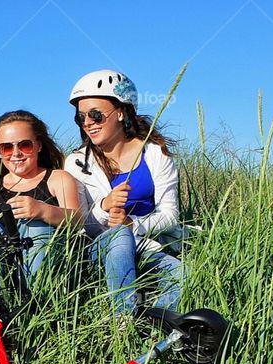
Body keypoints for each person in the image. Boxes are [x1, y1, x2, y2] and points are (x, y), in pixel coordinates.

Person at [64, 69, 184, 314]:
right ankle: (123, 320)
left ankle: (154, 324)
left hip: (146, 244)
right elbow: (79, 225)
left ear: (120, 112)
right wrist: (104, 207)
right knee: (118, 236)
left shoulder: (154, 154)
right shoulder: (76, 163)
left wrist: (133, 224)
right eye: (81, 117)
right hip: (100, 250)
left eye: (96, 115)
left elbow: (171, 215)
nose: (87, 123)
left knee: (182, 273)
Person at [0, 110, 82, 280]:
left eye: (24, 145)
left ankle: (36, 296)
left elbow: (78, 220)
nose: (16, 153)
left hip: (46, 265)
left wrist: (42, 211)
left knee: (37, 224)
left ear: (39, 145)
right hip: (2, 267)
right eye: (6, 147)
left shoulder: (58, 179)